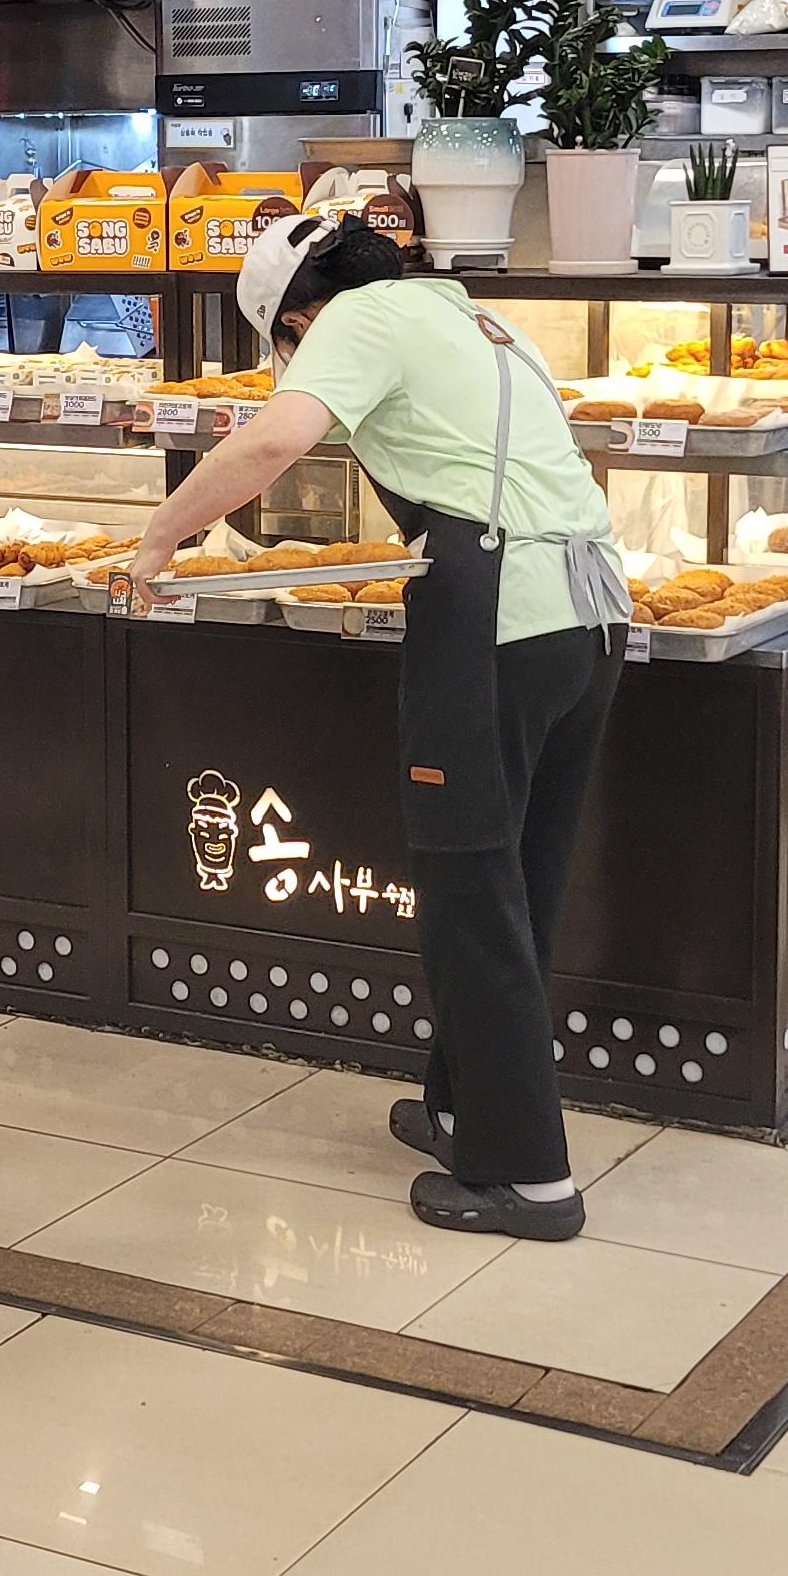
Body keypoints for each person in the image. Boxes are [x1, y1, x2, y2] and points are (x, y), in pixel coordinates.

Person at [127, 212, 629, 1236]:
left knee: (467, 886)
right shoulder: (475, 319)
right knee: (516, 879)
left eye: (284, 343)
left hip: (496, 613)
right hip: (588, 615)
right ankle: (462, 1108)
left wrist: (159, 537)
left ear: (297, 318)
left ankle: (528, 1178)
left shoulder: (353, 320)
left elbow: (275, 439)